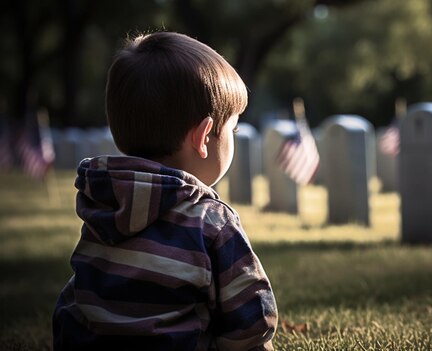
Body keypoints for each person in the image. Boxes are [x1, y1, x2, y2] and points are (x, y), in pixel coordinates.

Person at [53, 32, 278, 351]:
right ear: (203, 138)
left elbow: (76, 298)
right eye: (233, 128)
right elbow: (250, 318)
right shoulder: (210, 220)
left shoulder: (102, 202)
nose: (235, 137)